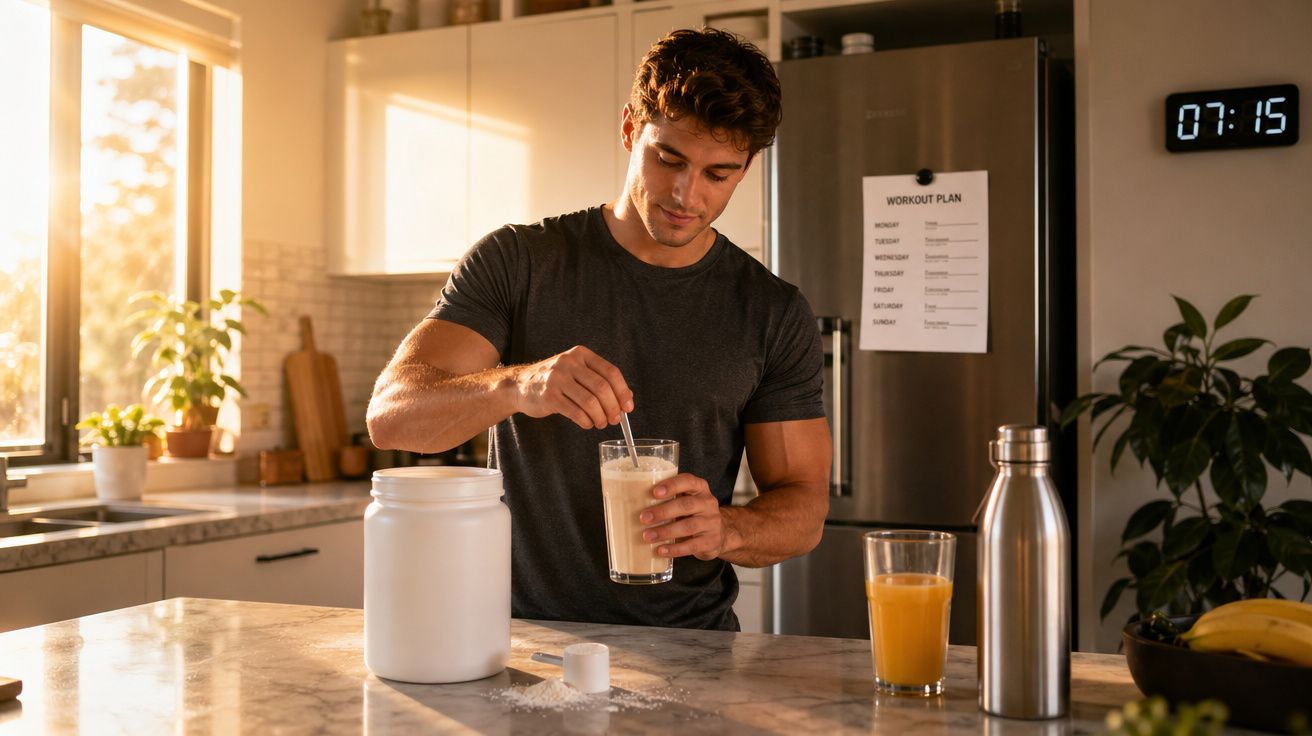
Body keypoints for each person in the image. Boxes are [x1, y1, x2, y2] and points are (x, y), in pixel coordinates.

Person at [367, 27, 831, 631]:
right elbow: (391, 416)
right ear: (629, 129)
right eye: (669, 159)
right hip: (517, 640)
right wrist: (517, 387)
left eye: (719, 174)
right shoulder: (519, 261)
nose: (687, 195)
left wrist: (728, 528)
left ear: (745, 169)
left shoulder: (770, 311)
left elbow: (804, 508)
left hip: (691, 648)